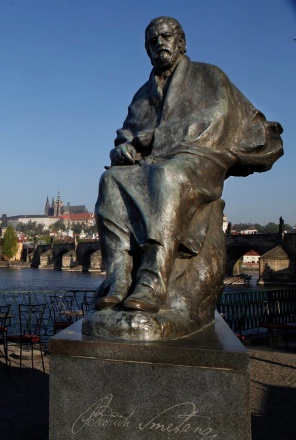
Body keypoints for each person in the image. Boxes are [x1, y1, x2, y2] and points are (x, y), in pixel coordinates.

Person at [94, 16, 283, 313]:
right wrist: (122, 151)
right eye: (152, 41)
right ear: (147, 50)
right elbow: (126, 134)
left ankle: (152, 280)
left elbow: (213, 122)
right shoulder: (142, 95)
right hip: (151, 163)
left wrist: (156, 138)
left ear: (181, 42)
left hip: (200, 158)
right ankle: (119, 275)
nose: (159, 44)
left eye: (166, 37)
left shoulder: (209, 76)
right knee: (111, 180)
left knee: (167, 176)